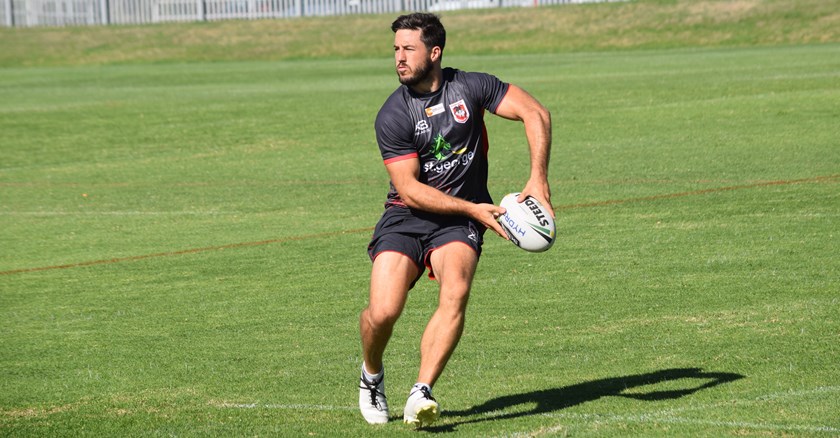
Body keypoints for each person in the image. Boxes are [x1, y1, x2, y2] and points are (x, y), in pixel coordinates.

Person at [358, 12, 553, 427]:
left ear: (435, 52)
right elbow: (409, 189)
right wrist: (473, 209)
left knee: (456, 290)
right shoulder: (393, 114)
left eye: (408, 49)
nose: (399, 58)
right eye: (395, 49)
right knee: (384, 311)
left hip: (458, 223)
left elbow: (535, 112)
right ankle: (371, 373)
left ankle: (421, 391)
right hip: (407, 216)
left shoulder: (471, 86)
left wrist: (538, 179)